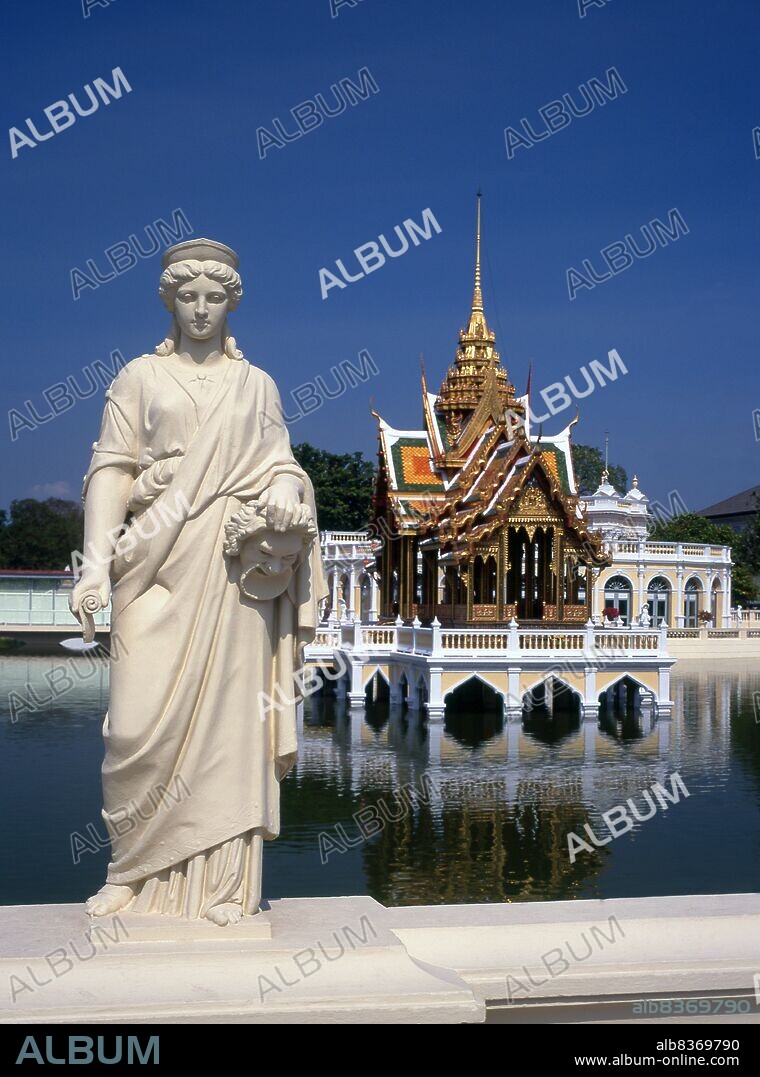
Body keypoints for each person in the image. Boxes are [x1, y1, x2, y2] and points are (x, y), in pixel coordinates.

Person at [70, 238, 326, 926]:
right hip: (152, 564)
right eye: (190, 297)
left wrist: (286, 494)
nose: (203, 309)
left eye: (216, 297)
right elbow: (111, 472)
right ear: (169, 300)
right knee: (133, 726)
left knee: (228, 731)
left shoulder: (258, 386)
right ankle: (129, 868)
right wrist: (96, 563)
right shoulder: (138, 379)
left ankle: (221, 884)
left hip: (234, 576)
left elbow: (281, 464)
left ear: (232, 301)